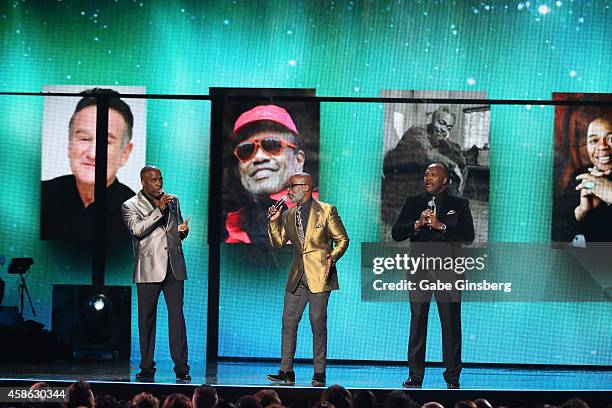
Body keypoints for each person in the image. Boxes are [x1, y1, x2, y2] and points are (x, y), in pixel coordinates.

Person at [392, 163, 475, 389]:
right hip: (419, 270)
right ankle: (415, 376)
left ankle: (452, 377)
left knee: (450, 324)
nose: (428, 177)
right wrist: (416, 225)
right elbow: (396, 233)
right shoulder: (413, 203)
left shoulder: (459, 204)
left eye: (433, 174)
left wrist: (442, 226)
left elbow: (468, 236)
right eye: (426, 174)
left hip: (448, 270)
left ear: (445, 180)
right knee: (417, 321)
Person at [266, 172, 349, 387]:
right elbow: (277, 243)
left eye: (292, 187)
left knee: (317, 323)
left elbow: (342, 239)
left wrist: (332, 256)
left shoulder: (326, 210)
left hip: (320, 274)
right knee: (288, 321)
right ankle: (286, 370)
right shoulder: (288, 215)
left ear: (305, 187)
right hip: (297, 274)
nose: (288, 191)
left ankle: (319, 372)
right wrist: (273, 223)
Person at [121, 165, 191, 383]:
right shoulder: (130, 205)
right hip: (149, 269)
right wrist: (158, 210)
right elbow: (137, 230)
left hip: (174, 267)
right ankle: (147, 367)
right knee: (147, 319)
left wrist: (182, 232)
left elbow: (175, 227)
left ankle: (181, 367)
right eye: (154, 180)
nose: (159, 183)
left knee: (177, 318)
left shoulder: (173, 200)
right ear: (143, 182)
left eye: (160, 178)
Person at [41, 88, 136, 241]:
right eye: (84, 139)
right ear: (69, 145)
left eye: (106, 142)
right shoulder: (40, 196)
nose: (93, 154)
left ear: (125, 153)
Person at [225, 104, 310, 244]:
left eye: (272, 145)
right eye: (246, 150)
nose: (258, 158)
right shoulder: (233, 239)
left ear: (298, 160)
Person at [384, 106, 467, 196]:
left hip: (416, 180)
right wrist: (453, 165)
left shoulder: (440, 139)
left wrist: (450, 146)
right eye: (441, 123)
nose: (444, 129)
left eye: (448, 128)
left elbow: (462, 163)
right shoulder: (417, 131)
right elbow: (427, 154)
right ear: (433, 119)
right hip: (397, 178)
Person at [564, 115, 612, 242]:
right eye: (594, 140)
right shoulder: (580, 176)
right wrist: (582, 212)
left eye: (611, 138)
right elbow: (560, 236)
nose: (602, 146)